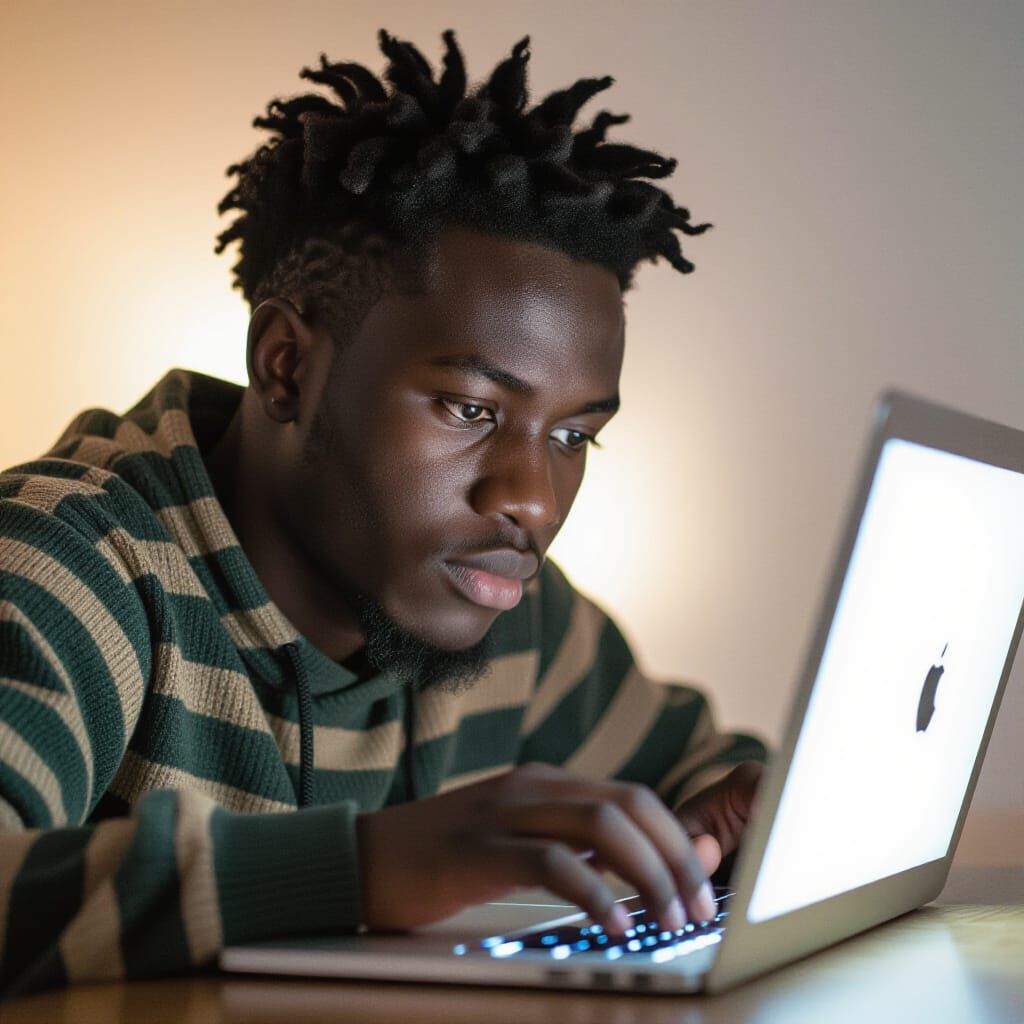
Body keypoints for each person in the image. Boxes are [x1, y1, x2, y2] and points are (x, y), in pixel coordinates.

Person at [0, 29, 765, 999]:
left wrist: (736, 818)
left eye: (574, 436)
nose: (531, 498)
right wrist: (361, 870)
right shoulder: (65, 568)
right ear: (287, 366)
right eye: (471, 410)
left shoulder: (510, 609)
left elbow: (708, 777)